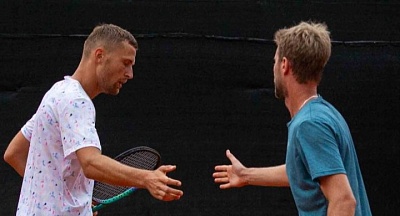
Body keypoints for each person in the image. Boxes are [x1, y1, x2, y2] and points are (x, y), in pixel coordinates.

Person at [4, 23, 183, 216]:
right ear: (100, 56)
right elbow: (90, 163)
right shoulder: (77, 101)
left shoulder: (56, 93)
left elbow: (13, 154)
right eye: (125, 63)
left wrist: (65, 199)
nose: (130, 74)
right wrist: (146, 178)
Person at [213, 21, 371, 215]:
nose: (273, 68)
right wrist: (246, 175)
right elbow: (304, 170)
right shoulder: (323, 113)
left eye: (275, 61)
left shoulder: (310, 124)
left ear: (285, 65)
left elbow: (344, 200)